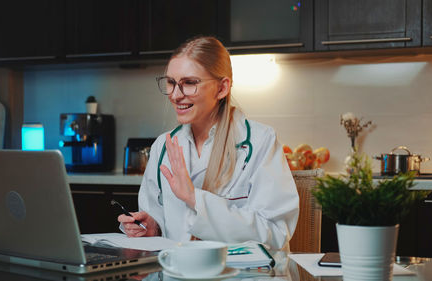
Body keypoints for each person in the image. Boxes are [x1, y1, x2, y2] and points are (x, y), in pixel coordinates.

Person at [118, 36, 299, 250]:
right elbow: (160, 223)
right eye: (171, 82)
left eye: (189, 83)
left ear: (222, 88)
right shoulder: (162, 146)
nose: (176, 95)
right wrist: (151, 228)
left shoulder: (261, 142)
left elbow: (275, 234)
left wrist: (194, 198)